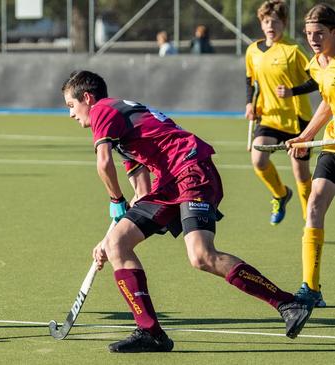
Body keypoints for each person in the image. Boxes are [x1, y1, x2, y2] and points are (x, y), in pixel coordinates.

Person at [62, 70, 314, 353]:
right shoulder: (122, 133)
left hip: (191, 170)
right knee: (117, 244)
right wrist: (111, 233)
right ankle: (150, 332)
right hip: (167, 183)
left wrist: (115, 199)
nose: (71, 114)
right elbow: (142, 193)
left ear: (87, 98)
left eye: (71, 106)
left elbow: (103, 164)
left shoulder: (103, 110)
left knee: (201, 256)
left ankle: (287, 303)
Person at [245, 0, 315, 226]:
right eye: (266, 21)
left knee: (301, 174)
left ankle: (309, 219)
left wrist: (292, 91)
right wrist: (249, 104)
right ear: (261, 23)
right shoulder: (253, 50)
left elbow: (316, 80)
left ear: (283, 23)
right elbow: (250, 80)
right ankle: (280, 194)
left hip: (297, 119)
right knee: (258, 159)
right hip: (269, 117)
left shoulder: (293, 50)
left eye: (275, 21)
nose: (270, 25)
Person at [284, 3, 335, 308]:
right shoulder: (317, 64)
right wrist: (307, 134)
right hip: (332, 145)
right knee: (315, 202)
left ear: (334, 31)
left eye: (319, 33)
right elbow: (329, 103)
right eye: (308, 34)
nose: (313, 39)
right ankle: (311, 288)